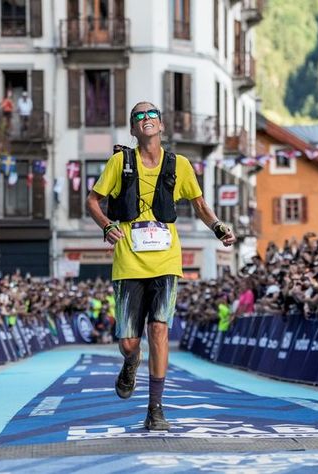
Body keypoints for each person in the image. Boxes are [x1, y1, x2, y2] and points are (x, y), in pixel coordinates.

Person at [86, 101, 236, 431]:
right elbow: (93, 200)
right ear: (132, 129)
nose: (145, 119)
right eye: (138, 116)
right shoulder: (119, 162)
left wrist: (218, 227)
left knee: (159, 329)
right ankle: (130, 362)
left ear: (161, 125)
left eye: (151, 114)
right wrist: (107, 225)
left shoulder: (179, 164)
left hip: (167, 260)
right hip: (128, 260)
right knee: (128, 342)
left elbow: (199, 204)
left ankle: (155, 408)